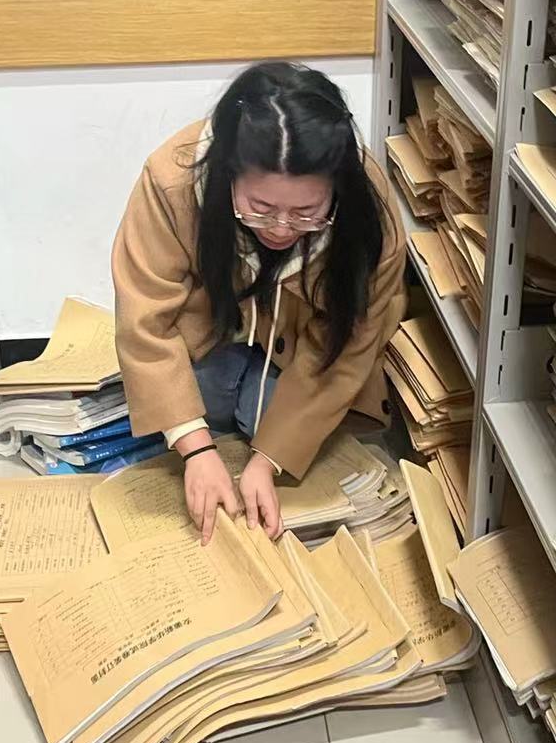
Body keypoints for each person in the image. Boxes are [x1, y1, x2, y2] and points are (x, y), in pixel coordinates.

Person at [111, 61, 406, 544]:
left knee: (280, 431)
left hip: (302, 352)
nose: (282, 228)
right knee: (193, 408)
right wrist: (196, 450)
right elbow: (144, 315)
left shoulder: (370, 212)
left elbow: (350, 342)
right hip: (212, 333)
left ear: (336, 187)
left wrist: (266, 462)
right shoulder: (171, 180)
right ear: (227, 173)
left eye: (307, 212)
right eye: (261, 208)